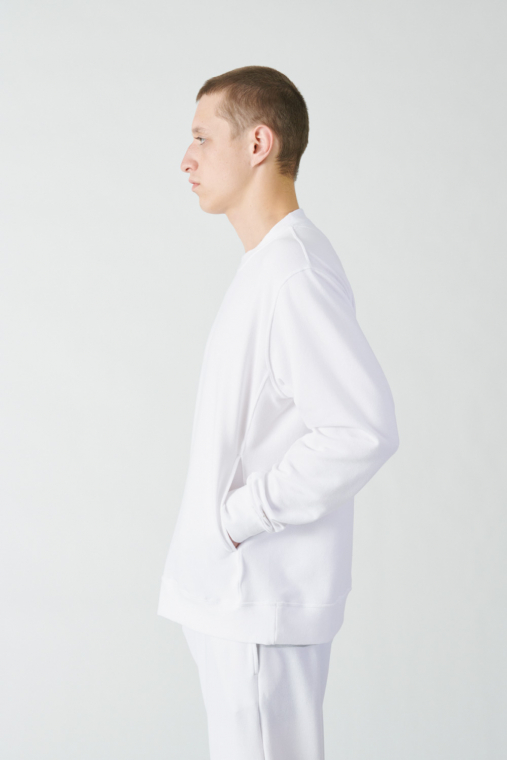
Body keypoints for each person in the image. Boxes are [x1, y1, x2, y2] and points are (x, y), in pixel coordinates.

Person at [158, 65, 399, 760]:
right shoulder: (269, 266)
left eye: (202, 137)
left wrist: (239, 519)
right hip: (237, 602)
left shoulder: (292, 272)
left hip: (258, 599)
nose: (186, 160)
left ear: (258, 143)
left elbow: (361, 430)